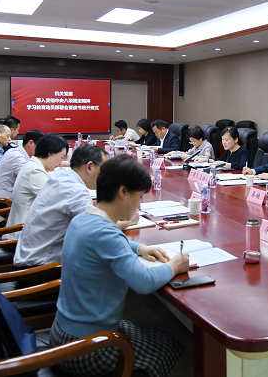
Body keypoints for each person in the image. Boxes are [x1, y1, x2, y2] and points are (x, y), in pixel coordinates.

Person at [49, 155, 189, 377]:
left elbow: (105, 243)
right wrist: (174, 266)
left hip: (63, 331)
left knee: (154, 330)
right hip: (85, 348)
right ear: (123, 192)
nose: (139, 204)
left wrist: (139, 248)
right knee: (173, 348)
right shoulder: (107, 234)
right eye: (139, 197)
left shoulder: (83, 219)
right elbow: (144, 282)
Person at [13, 144, 107, 267]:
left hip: (28, 256)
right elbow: (96, 231)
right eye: (104, 170)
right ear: (89, 166)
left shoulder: (61, 176)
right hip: (41, 269)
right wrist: (124, 221)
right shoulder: (76, 191)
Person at [3, 133, 69, 240]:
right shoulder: (34, 171)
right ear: (50, 153)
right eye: (61, 157)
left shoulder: (33, 165)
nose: (60, 162)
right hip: (23, 235)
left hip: (27, 228)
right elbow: (57, 202)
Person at [0, 129, 45, 200]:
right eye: (41, 148)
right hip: (5, 202)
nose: (42, 151)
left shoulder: (15, 151)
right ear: (30, 143)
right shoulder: (17, 157)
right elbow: (32, 180)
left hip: (7, 197)